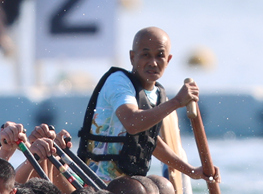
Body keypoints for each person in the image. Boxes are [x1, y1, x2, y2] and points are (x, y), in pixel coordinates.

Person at [76, 27, 218, 183]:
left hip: (129, 184)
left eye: (160, 56)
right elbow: (132, 122)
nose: (153, 62)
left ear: (168, 60)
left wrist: (192, 171)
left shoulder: (157, 95)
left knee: (163, 187)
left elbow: (151, 143)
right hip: (95, 182)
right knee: (158, 186)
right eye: (146, 55)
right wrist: (177, 102)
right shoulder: (118, 82)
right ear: (132, 57)